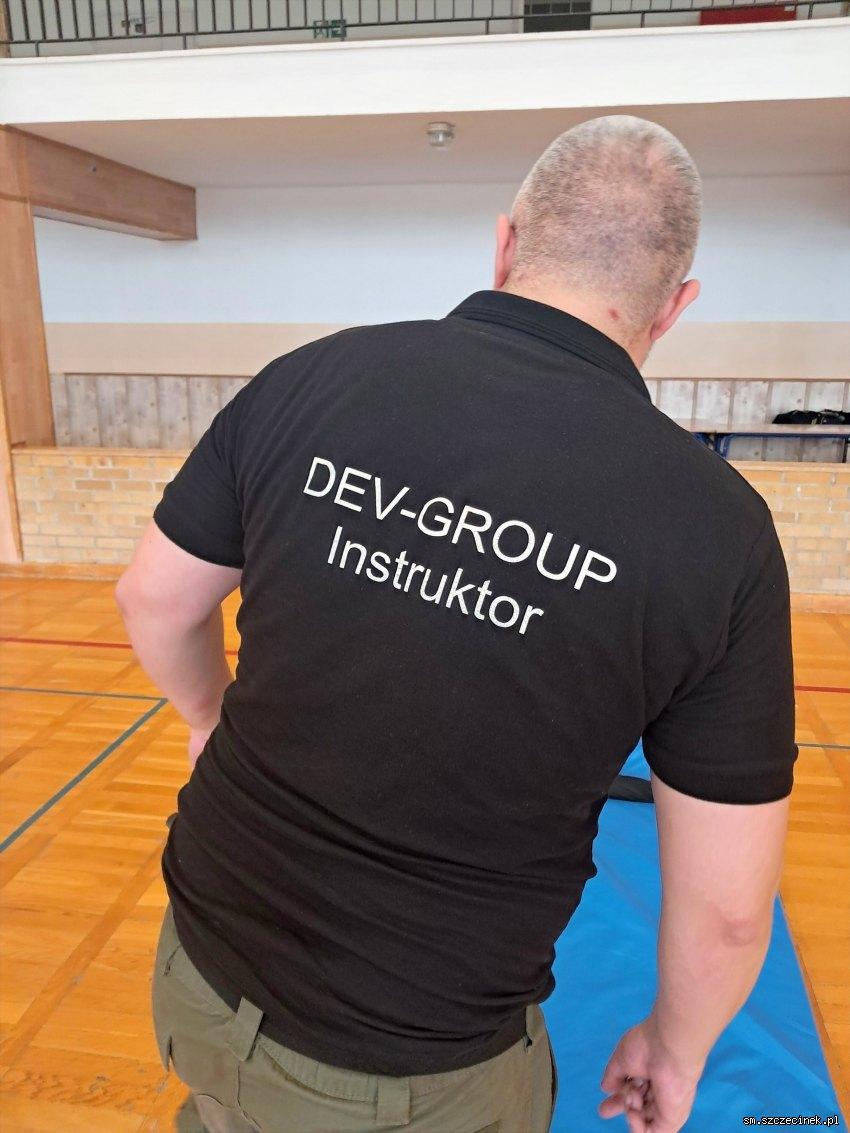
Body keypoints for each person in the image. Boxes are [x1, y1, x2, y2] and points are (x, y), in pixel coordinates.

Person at [116, 115, 796, 1133]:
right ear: (675, 305)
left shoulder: (315, 375)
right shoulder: (719, 530)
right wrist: (675, 1044)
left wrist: (208, 712)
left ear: (506, 244)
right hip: (414, 1075)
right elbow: (731, 909)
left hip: (196, 970)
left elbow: (154, 598)